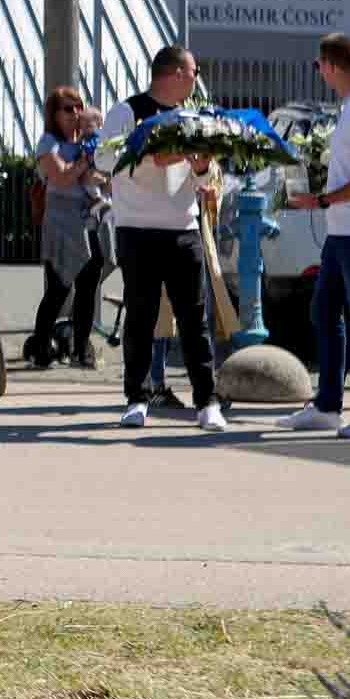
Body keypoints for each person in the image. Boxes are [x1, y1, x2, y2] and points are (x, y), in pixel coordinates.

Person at [278, 33, 350, 439]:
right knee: (325, 312)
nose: (320, 73)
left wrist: (325, 199)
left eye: (319, 66)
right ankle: (328, 406)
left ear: (330, 66)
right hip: (346, 231)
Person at [101, 45, 226, 431]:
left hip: (183, 230)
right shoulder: (127, 111)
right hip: (137, 229)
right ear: (173, 73)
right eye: (193, 71)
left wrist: (202, 168)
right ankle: (136, 399)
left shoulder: (194, 117)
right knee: (140, 318)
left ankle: (207, 402)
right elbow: (104, 161)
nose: (197, 77)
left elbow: (205, 179)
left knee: (194, 320)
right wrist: (152, 155)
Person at [25, 87, 106, 368]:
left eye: (78, 107)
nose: (75, 114)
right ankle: (41, 347)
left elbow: (101, 176)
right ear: (54, 114)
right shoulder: (49, 143)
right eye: (67, 109)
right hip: (61, 222)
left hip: (87, 221)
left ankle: (81, 350)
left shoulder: (88, 140)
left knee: (88, 287)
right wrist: (86, 159)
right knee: (58, 289)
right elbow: (60, 178)